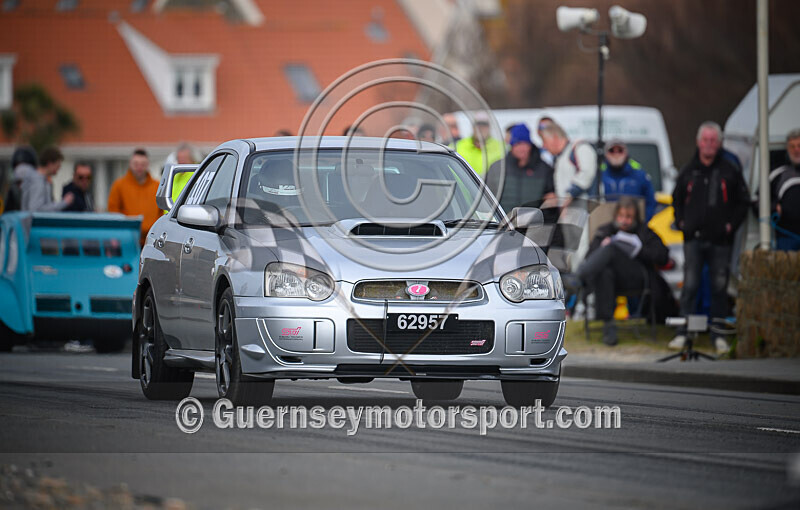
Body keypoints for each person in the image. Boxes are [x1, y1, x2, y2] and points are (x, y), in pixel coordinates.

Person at [670, 121, 750, 354]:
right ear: (698, 142)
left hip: (720, 241)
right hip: (693, 239)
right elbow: (676, 199)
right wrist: (682, 222)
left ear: (719, 143)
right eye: (705, 140)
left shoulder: (729, 169)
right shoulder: (688, 170)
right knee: (690, 286)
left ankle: (718, 335)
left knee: (719, 288)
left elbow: (743, 201)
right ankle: (683, 333)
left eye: (713, 140)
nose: (709, 144)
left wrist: (730, 226)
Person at [574, 197, 671, 346]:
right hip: (610, 281)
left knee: (611, 249)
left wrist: (640, 250)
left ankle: (578, 276)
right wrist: (602, 247)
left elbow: (663, 256)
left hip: (637, 277)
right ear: (615, 216)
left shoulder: (644, 231)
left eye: (628, 217)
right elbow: (590, 256)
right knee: (605, 271)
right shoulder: (605, 230)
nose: (624, 221)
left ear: (635, 217)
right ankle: (608, 325)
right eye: (621, 216)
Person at [485, 124, 554, 212]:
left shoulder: (544, 169)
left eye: (525, 144)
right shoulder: (497, 168)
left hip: (534, 220)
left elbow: (551, 198)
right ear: (512, 146)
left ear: (530, 145)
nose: (522, 148)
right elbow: (486, 198)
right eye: (518, 144)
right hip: (504, 219)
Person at [107, 148, 160, 246]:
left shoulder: (158, 186)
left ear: (147, 165)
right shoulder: (119, 186)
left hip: (152, 241)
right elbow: (113, 212)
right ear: (130, 164)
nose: (139, 167)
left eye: (143, 164)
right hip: (126, 240)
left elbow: (162, 212)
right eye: (136, 164)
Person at [601, 138, 657, 221]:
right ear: (606, 154)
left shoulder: (640, 176)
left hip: (634, 225)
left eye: (620, 150)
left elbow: (651, 202)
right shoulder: (599, 177)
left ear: (626, 153)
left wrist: (643, 222)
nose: (616, 154)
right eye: (612, 151)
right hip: (605, 224)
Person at [540, 123, 598, 200]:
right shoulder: (560, 157)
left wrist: (571, 194)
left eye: (544, 141)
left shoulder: (580, 148)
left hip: (587, 205)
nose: (543, 146)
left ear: (555, 138)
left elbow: (587, 173)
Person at [768, 128, 800, 251]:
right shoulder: (778, 174)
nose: (796, 150)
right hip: (787, 237)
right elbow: (757, 201)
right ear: (787, 149)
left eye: (799, 146)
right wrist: (774, 207)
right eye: (792, 146)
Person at [21, 147, 74, 211]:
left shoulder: (42, 180)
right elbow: (36, 209)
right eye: (58, 165)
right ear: (50, 164)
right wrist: (64, 202)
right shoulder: (37, 181)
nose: (59, 168)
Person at [455, 112, 503, 179]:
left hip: (491, 185)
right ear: (473, 127)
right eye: (478, 125)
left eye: (484, 125)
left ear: (489, 127)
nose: (481, 128)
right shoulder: (458, 145)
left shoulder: (501, 147)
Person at [3, 146, 38, 212]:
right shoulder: (13, 190)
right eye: (19, 166)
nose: (22, 170)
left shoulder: (38, 187)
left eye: (25, 166)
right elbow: (7, 212)